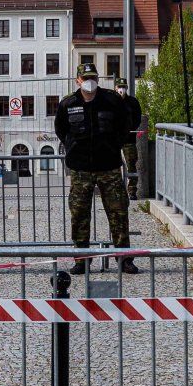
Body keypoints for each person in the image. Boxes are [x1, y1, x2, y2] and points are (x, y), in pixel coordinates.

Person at [54, 63, 139, 275]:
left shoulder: (112, 101)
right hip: (80, 168)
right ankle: (82, 259)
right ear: (78, 80)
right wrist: (74, 148)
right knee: (79, 214)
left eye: (93, 77)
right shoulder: (68, 104)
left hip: (108, 166)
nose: (89, 81)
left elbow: (124, 126)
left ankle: (124, 258)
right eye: (85, 78)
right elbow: (61, 130)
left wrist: (112, 147)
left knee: (118, 212)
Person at [115, 78, 143, 200]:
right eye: (119, 87)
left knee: (131, 164)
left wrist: (130, 128)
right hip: (114, 139)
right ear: (116, 88)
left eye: (124, 87)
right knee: (113, 165)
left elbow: (137, 118)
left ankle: (132, 191)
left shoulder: (132, 102)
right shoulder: (111, 102)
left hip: (129, 138)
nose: (122, 89)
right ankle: (116, 191)